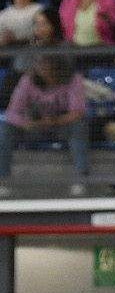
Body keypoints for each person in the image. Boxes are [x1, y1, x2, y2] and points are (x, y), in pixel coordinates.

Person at [0, 43, 89, 196]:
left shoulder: (73, 80)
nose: (42, 68)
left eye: (47, 65)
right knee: (5, 128)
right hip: (34, 127)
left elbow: (78, 112)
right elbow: (12, 112)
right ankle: (3, 179)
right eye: (40, 64)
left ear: (58, 66)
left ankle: (81, 178)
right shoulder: (28, 80)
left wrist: (54, 121)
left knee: (79, 127)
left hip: (62, 125)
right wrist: (27, 123)